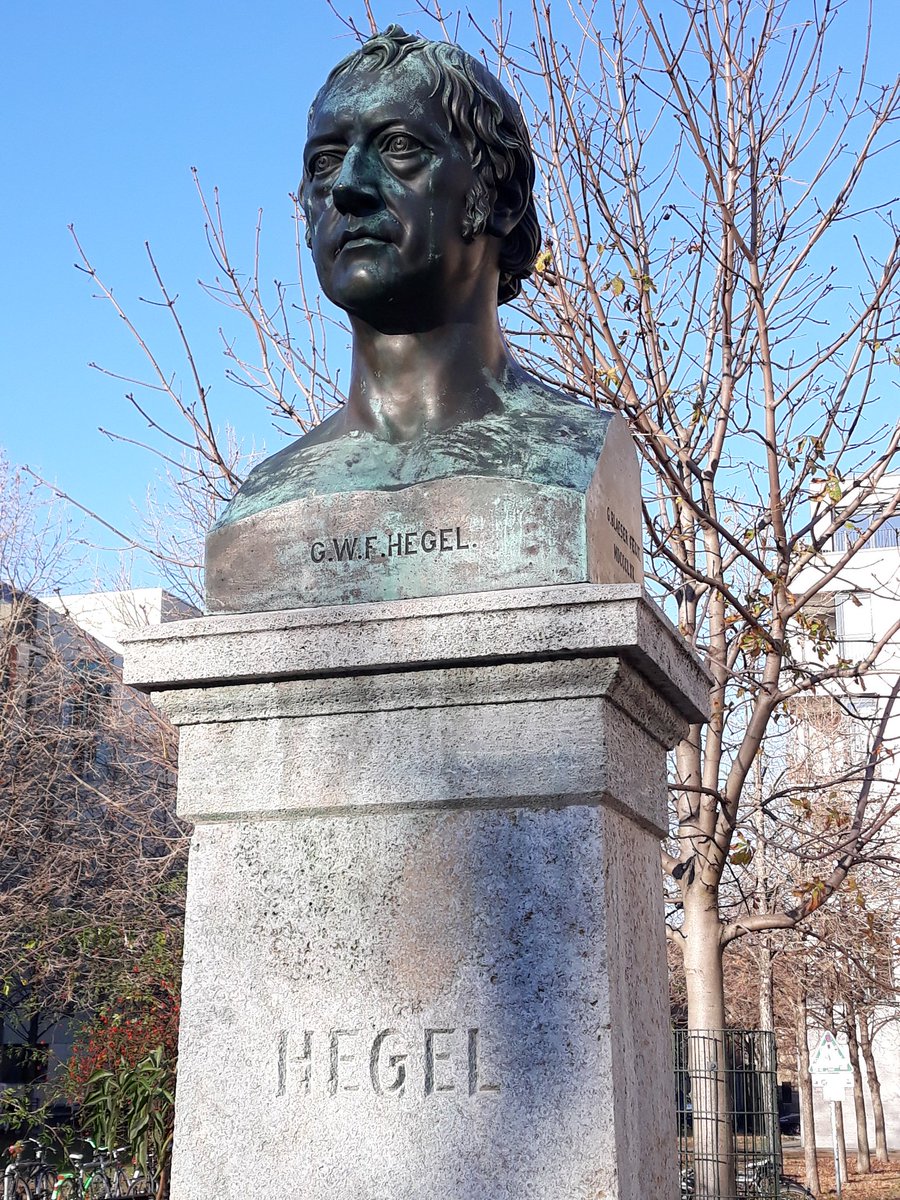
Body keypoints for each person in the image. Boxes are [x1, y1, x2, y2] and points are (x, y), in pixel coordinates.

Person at [216, 25, 610, 531]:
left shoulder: (574, 454)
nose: (348, 188)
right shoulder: (265, 500)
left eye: (399, 146)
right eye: (325, 162)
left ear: (502, 196)